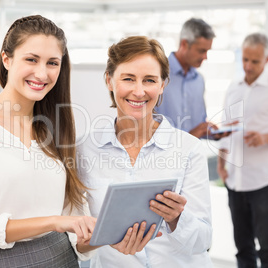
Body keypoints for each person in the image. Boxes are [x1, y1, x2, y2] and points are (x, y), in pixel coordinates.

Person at [0, 15, 97, 267]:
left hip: (63, 259)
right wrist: (52, 222)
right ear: (7, 59)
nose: (42, 73)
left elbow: (74, 227)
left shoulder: (58, 125)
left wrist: (109, 233)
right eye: (31, 59)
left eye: (52, 63)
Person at [77, 36, 213, 267]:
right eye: (128, 79)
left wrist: (177, 217)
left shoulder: (189, 149)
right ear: (109, 81)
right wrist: (103, 240)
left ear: (162, 85)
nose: (139, 91)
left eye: (149, 80)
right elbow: (75, 240)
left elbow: (204, 240)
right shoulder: (83, 150)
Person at [217, 33, 268, 268]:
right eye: (245, 59)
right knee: (243, 249)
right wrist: (220, 164)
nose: (248, 66)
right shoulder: (233, 87)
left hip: (264, 183)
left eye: (254, 61)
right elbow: (225, 129)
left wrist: (265, 137)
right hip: (235, 182)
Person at [155, 17, 221, 139]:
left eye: (207, 51)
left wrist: (215, 133)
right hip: (166, 157)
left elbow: (198, 126)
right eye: (201, 51)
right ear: (184, 44)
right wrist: (190, 136)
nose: (205, 57)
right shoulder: (157, 75)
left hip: (194, 157)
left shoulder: (199, 80)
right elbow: (147, 130)